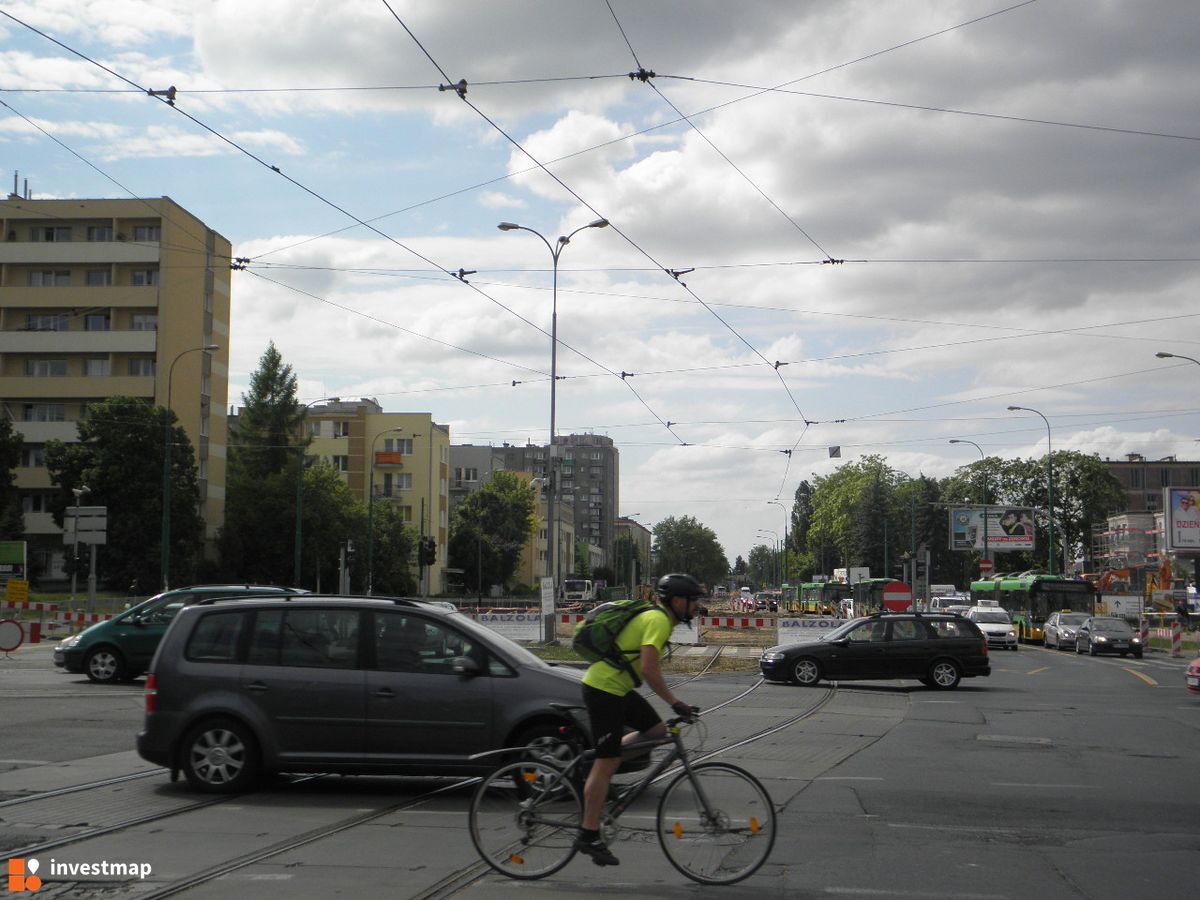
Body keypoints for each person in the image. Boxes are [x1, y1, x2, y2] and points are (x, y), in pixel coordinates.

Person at [574, 572, 703, 867]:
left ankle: (601, 757)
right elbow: (648, 668)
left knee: (657, 732)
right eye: (693, 600)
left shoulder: (661, 619)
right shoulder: (658, 620)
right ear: (677, 601)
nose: (697, 606)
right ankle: (589, 832)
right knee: (607, 763)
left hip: (617, 688)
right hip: (602, 688)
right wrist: (676, 703)